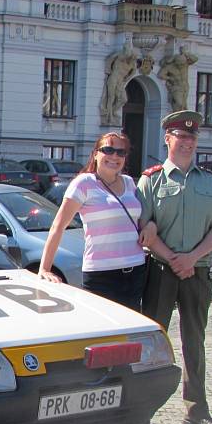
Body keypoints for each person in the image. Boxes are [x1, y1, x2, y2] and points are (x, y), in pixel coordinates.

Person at [137, 110, 212, 424]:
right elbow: (144, 227)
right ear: (167, 138)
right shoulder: (150, 180)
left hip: (198, 271)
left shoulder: (210, 182)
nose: (188, 142)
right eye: (181, 135)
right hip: (161, 270)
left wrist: (191, 258)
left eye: (192, 137)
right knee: (152, 342)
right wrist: (175, 258)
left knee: (194, 342)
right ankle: (142, 411)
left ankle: (197, 410)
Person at [39, 132, 155, 312]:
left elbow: (141, 219)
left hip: (136, 269)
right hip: (101, 273)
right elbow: (58, 226)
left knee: (130, 330)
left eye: (120, 152)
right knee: (104, 330)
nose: (114, 156)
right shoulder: (84, 183)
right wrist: (45, 268)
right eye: (108, 150)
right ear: (95, 154)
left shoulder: (130, 183)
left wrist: (151, 225)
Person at [99, 43, 138, 126]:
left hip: (120, 81)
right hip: (113, 78)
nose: (132, 59)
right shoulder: (120, 58)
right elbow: (110, 59)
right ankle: (109, 117)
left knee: (124, 99)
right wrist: (108, 70)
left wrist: (126, 78)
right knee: (111, 97)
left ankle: (112, 111)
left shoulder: (132, 65)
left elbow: (132, 73)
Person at [157, 46, 199, 111]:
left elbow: (195, 59)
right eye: (179, 64)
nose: (180, 66)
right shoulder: (170, 67)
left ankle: (181, 118)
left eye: (182, 64)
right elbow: (160, 75)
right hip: (176, 87)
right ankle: (178, 116)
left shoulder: (185, 65)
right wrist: (169, 78)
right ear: (175, 62)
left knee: (184, 105)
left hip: (185, 87)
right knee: (179, 103)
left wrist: (185, 53)